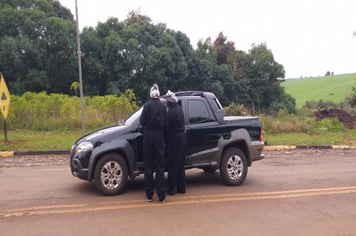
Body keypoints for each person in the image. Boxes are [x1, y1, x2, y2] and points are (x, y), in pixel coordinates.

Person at [140, 84, 167, 203]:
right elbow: (166, 123)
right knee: (160, 167)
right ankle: (161, 195)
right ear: (159, 94)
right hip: (159, 136)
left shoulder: (147, 105)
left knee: (149, 166)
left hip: (149, 135)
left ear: (151, 94)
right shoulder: (163, 106)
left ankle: (149, 194)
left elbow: (141, 121)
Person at [165, 90, 187, 195]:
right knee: (180, 165)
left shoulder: (171, 113)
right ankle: (181, 188)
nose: (166, 101)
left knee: (173, 164)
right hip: (182, 138)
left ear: (170, 102)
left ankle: (170, 189)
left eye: (167, 100)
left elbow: (167, 128)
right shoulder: (179, 109)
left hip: (175, 140)